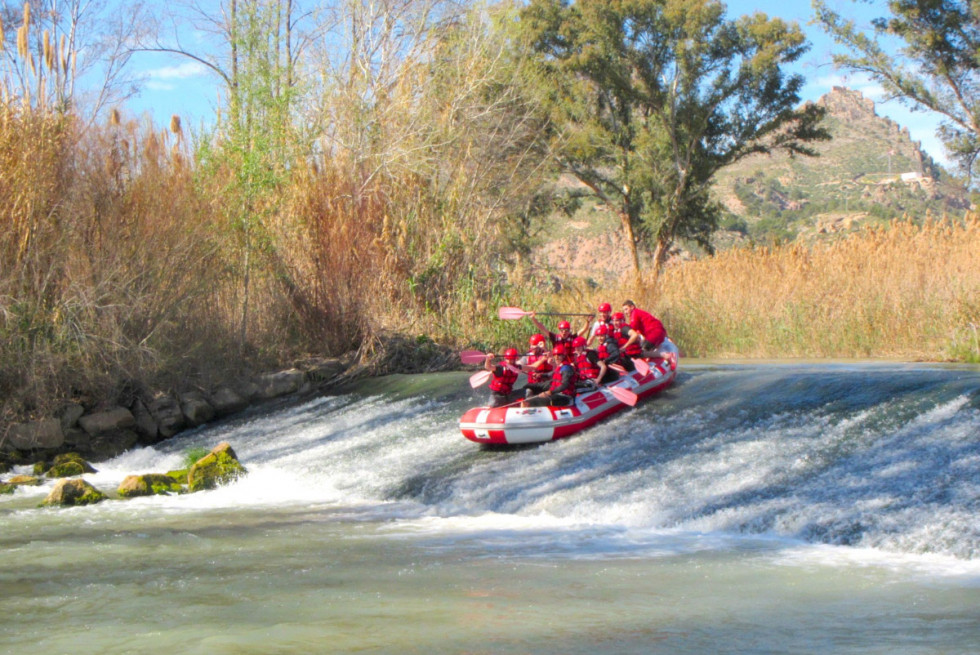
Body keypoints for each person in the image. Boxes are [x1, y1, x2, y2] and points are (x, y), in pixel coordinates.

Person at [621, 300, 679, 366]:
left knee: (642, 350)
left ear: (632, 307)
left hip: (654, 333)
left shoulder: (635, 313)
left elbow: (632, 329)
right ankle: (662, 357)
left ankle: (666, 356)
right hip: (660, 332)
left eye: (626, 309)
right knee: (649, 347)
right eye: (624, 310)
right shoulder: (639, 313)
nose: (625, 312)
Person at [519, 333, 553, 398]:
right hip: (533, 385)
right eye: (531, 346)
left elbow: (554, 363)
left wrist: (545, 348)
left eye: (534, 346)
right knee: (528, 391)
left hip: (545, 384)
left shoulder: (548, 354)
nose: (531, 348)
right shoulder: (527, 356)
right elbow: (519, 364)